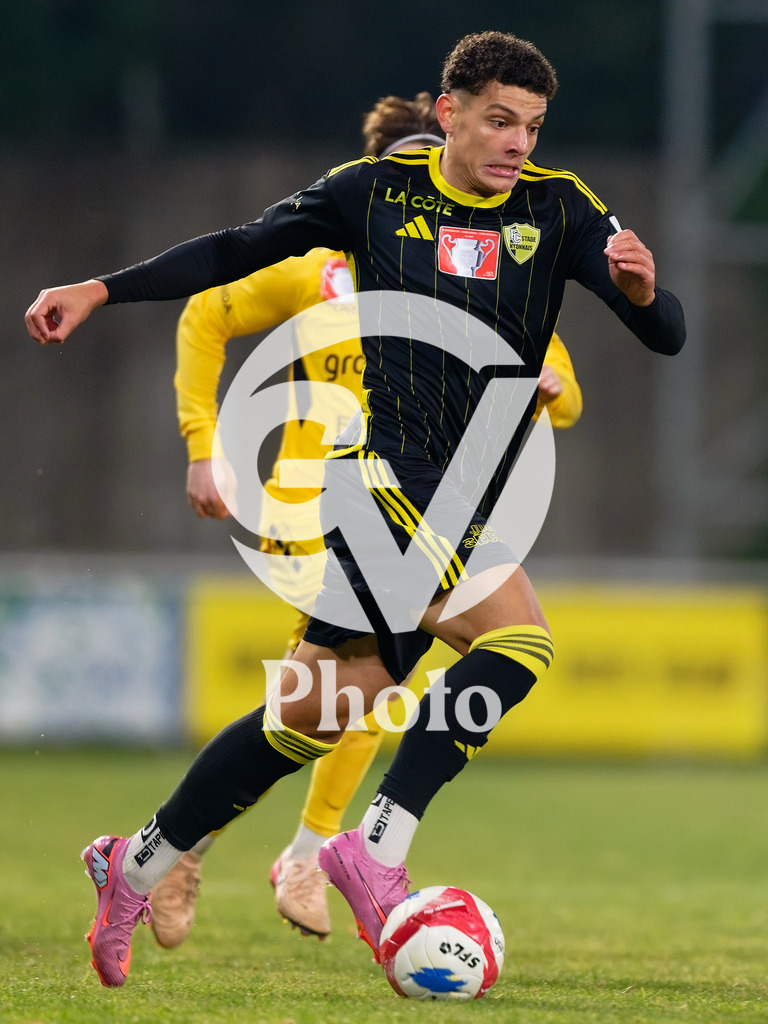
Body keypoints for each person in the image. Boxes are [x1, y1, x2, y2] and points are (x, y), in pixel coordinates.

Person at [25, 30, 684, 989]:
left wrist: (642, 291)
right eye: (499, 121)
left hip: (464, 499)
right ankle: (373, 846)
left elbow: (662, 335)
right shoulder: (373, 194)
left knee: (313, 715)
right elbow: (233, 251)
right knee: (519, 647)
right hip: (384, 486)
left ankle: (135, 863)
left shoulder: (561, 207)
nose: (516, 143)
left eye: (533, 127)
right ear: (449, 114)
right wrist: (101, 288)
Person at [156, 95, 583, 948]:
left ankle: (211, 850)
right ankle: (261, 851)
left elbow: (563, 391)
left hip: (418, 501)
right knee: (334, 701)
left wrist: (540, 390)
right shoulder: (318, 264)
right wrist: (205, 444)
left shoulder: (478, 273)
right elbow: (207, 311)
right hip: (326, 498)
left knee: (334, 699)